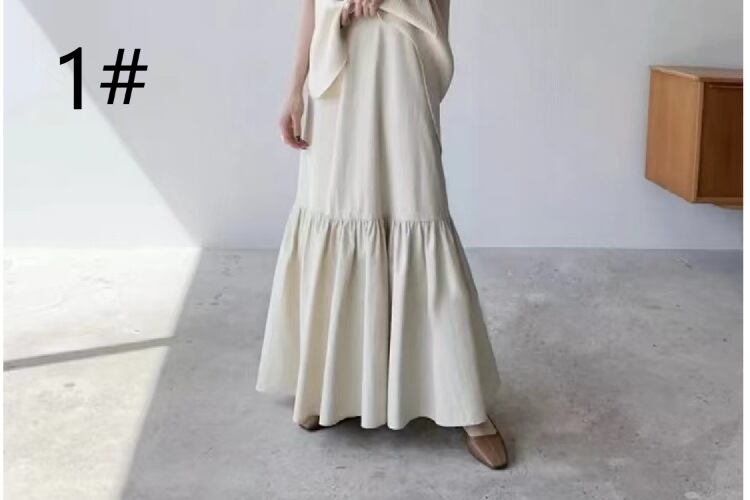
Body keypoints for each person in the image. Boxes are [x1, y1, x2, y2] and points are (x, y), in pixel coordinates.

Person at [256, 0, 508, 469]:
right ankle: (329, 385)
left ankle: (467, 406)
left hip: (399, 48)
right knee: (336, 206)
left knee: (418, 206)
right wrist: (294, 88)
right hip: (335, 61)